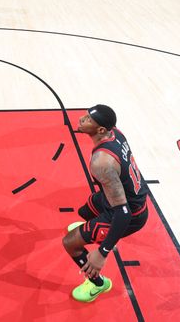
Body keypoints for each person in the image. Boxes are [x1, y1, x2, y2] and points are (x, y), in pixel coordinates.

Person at [62, 105, 149, 303]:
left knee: (70, 243)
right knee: (85, 211)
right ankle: (96, 234)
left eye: (88, 119)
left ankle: (98, 284)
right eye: (85, 115)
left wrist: (102, 252)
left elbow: (124, 213)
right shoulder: (116, 133)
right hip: (123, 198)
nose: (82, 119)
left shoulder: (101, 162)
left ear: (101, 130)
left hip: (129, 214)